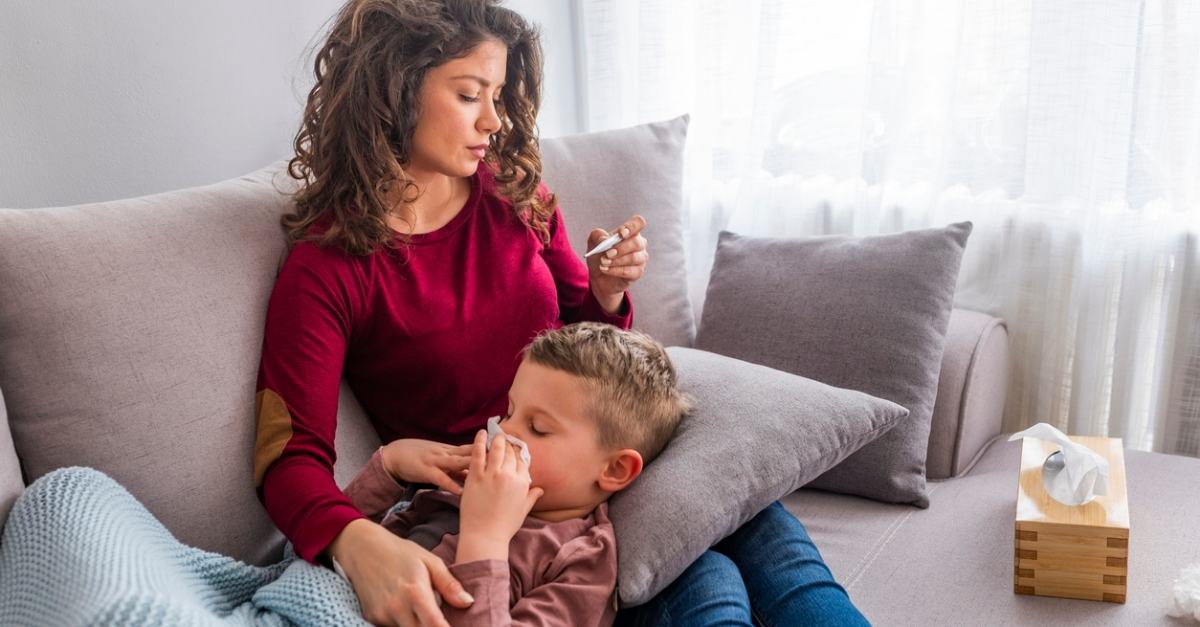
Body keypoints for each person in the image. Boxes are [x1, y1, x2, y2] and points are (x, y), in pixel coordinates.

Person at [253, 0, 868, 625]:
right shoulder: (329, 266)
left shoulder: (516, 195)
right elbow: (288, 458)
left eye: (498, 94)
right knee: (709, 573)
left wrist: (604, 291)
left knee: (758, 520)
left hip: (596, 453)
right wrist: (358, 542)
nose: (494, 120)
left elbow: (586, 341)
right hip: (502, 503)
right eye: (470, 95)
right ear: (394, 92)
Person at [340, 322, 689, 626]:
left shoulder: (582, 563)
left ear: (614, 469)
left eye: (538, 428)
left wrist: (485, 538)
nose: (504, 432)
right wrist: (390, 466)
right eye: (509, 412)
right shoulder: (463, 485)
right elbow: (330, 546)